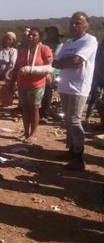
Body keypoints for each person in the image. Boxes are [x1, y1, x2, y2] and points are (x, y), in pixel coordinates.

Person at [53, 12, 98, 170]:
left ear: (86, 25)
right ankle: (71, 150)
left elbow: (77, 61)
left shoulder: (90, 40)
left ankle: (79, 157)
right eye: (72, 22)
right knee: (67, 120)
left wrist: (65, 62)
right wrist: (67, 62)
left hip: (79, 87)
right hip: (65, 86)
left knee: (74, 120)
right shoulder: (68, 43)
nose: (74, 25)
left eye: (78, 23)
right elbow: (55, 63)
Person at [11, 28, 53, 143]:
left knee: (34, 108)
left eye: (34, 35)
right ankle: (25, 132)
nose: (31, 37)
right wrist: (12, 81)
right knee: (25, 108)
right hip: (22, 83)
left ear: (39, 37)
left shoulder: (44, 49)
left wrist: (31, 69)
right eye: (30, 35)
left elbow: (49, 67)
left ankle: (33, 134)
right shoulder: (23, 49)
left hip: (37, 84)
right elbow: (17, 65)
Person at [40, 26, 63, 124]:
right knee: (42, 92)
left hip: (55, 71)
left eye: (52, 32)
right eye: (48, 32)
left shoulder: (61, 45)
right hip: (43, 70)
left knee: (48, 91)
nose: (50, 34)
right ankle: (42, 112)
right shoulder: (42, 44)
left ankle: (46, 113)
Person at [85, 40, 104, 123]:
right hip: (97, 76)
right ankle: (87, 118)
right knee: (94, 97)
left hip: (97, 76)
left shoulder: (98, 48)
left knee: (95, 98)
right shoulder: (98, 48)